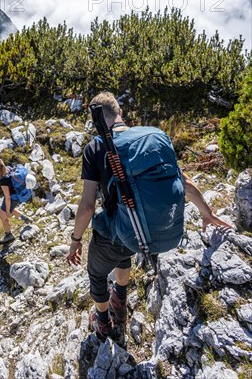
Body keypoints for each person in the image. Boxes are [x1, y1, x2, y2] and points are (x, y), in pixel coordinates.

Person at [67, 91, 233, 342]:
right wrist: (207, 214)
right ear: (119, 112)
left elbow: (87, 207)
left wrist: (75, 239)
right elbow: (184, 182)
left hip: (118, 230)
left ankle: (103, 322)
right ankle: (119, 300)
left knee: (97, 273)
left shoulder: (96, 147)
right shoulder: (152, 137)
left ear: (96, 121)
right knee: (123, 253)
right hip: (142, 229)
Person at [0, 158, 36, 245]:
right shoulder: (7, 168)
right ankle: (26, 219)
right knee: (10, 208)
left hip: (12, 198)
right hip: (17, 195)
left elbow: (7, 198)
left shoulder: (3, 179)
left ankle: (8, 235)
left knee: (3, 216)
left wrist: (7, 212)